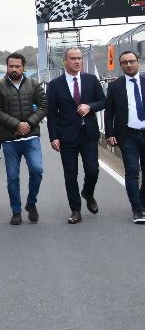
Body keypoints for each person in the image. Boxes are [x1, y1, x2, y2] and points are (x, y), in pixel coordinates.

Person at [46, 47, 106, 224]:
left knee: (93, 170)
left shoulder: (91, 80)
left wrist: (90, 107)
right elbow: (51, 113)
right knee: (70, 175)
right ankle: (76, 209)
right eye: (73, 58)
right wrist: (53, 137)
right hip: (66, 136)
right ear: (65, 61)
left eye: (79, 58)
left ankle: (88, 192)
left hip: (88, 134)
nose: (77, 61)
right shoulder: (55, 85)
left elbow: (103, 101)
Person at [0, 53, 47, 226]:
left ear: (24, 67)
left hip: (31, 138)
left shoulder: (34, 84)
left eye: (17, 66)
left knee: (37, 170)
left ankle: (31, 203)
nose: (14, 69)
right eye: (11, 66)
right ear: (7, 67)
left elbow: (44, 106)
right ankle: (16, 211)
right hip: (9, 140)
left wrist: (28, 123)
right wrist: (16, 125)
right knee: (13, 178)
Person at [104, 51, 145, 223]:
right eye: (125, 62)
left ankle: (142, 203)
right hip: (127, 135)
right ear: (121, 65)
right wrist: (109, 133)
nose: (129, 65)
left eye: (132, 61)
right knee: (132, 172)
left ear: (138, 62)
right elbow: (109, 111)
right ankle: (137, 209)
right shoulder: (115, 86)